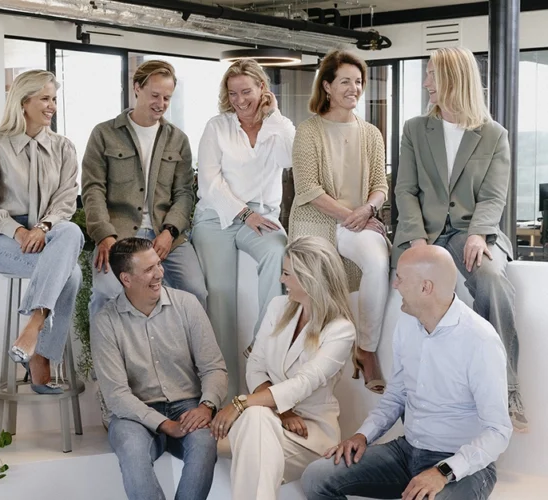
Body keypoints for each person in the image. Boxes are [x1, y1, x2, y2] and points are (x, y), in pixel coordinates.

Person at [301, 245, 512, 500]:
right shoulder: (407, 324)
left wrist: (443, 471)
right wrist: (362, 435)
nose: (395, 285)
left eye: (400, 278)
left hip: (461, 467)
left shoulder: (480, 340)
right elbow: (396, 396)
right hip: (406, 452)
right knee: (316, 477)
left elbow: (498, 431)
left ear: (426, 287)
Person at [392, 46, 526, 431]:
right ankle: (420, 397)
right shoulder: (415, 129)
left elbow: (494, 195)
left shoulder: (493, 135)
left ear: (453, 78)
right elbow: (405, 190)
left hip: (472, 232)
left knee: (491, 280)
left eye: (432, 74)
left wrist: (480, 234)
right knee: (414, 289)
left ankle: (506, 390)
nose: (426, 83)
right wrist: (417, 241)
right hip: (425, 234)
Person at [210, 236, 356, 500]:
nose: (281, 280)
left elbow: (303, 382)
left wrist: (241, 403)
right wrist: (284, 411)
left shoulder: (341, 331)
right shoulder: (278, 307)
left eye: (287, 274)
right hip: (269, 420)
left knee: (253, 421)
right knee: (257, 419)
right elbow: (256, 366)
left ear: (309, 279)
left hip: (309, 436)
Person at [0, 70, 84, 394]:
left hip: (49, 234)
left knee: (71, 230)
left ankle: (34, 326)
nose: (52, 106)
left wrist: (43, 227)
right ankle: (41, 355)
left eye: (54, 99)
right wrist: (18, 231)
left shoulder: (64, 147)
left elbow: (64, 201)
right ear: (23, 102)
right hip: (4, 240)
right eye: (45, 99)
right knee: (71, 274)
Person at [91, 237, 227, 500]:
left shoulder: (187, 305)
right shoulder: (105, 322)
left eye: (158, 265)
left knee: (204, 444)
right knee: (132, 452)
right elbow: (116, 395)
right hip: (134, 414)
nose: (159, 274)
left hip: (188, 407)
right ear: (126, 279)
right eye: (148, 269)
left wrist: (206, 406)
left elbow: (213, 368)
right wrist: (164, 424)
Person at [193, 58, 296, 397]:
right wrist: (242, 214)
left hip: (262, 215)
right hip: (216, 216)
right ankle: (224, 392)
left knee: (278, 255)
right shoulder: (217, 127)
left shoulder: (278, 126)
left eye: (246, 91)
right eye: (233, 93)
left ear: (262, 88)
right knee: (220, 294)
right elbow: (209, 182)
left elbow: (290, 160)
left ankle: (262, 342)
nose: (239, 99)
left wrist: (275, 115)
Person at [290, 49, 389, 394]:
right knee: (309, 282)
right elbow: (308, 189)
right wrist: (353, 215)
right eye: (345, 81)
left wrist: (368, 210)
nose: (354, 88)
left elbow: (380, 186)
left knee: (378, 261)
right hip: (318, 220)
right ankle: (288, 354)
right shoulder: (308, 131)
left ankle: (367, 349)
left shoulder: (372, 134)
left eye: (358, 81)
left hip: (358, 223)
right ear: (327, 86)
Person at [82, 59, 207, 319]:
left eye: (167, 98)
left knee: (196, 292)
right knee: (106, 292)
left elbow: (184, 194)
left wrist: (170, 232)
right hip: (119, 236)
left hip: (167, 237)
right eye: (155, 95)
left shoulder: (178, 139)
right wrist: (104, 235)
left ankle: (188, 359)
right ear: (137, 88)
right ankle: (104, 359)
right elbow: (93, 189)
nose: (160, 104)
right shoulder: (104, 134)